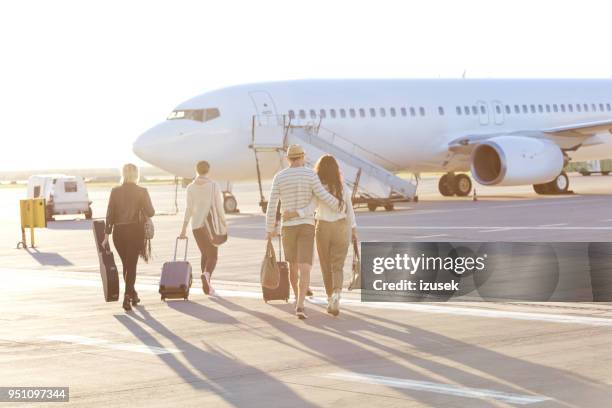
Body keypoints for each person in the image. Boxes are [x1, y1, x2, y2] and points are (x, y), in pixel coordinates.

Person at [265, 145, 339, 319]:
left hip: (288, 227)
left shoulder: (280, 177)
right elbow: (321, 195)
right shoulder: (310, 174)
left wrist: (270, 228)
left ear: (288, 159)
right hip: (306, 225)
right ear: (302, 157)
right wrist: (337, 203)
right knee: (305, 266)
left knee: (293, 265)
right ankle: (300, 304)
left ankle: (297, 298)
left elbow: (272, 204)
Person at [284, 154, 357, 316]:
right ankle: (336, 296)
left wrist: (295, 213)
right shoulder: (343, 187)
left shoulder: (318, 188)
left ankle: (330, 296)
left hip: (323, 228)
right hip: (341, 227)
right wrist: (353, 229)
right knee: (337, 266)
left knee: (326, 266)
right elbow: (350, 210)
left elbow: (310, 208)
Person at [103, 164, 155, 311]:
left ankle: (133, 293)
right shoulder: (142, 191)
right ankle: (127, 296)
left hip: (119, 234)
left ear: (123, 174)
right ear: (136, 174)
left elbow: (110, 214)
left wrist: (107, 234)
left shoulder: (115, 191)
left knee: (127, 265)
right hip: (135, 232)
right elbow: (151, 212)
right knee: (131, 266)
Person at [180, 160, 227, 296]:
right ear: (208, 170)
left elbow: (188, 209)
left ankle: (206, 287)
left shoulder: (190, 187)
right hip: (211, 225)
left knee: (205, 254)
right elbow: (219, 206)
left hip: (196, 226)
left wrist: (184, 228)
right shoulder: (213, 186)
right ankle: (206, 275)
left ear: (196, 170)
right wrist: (223, 222)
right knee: (213, 256)